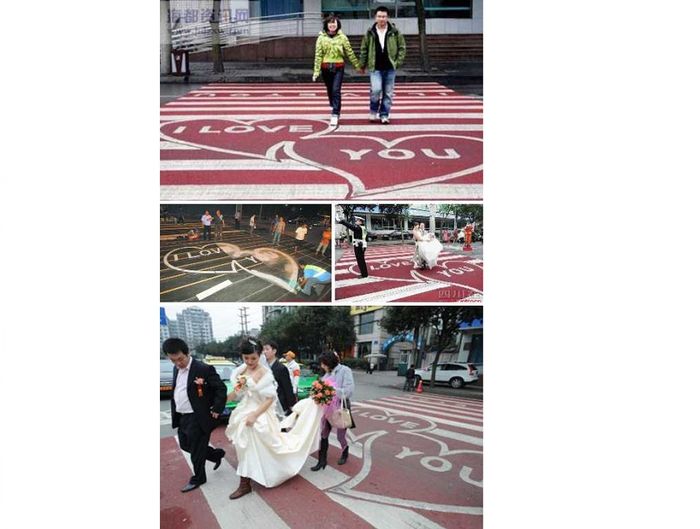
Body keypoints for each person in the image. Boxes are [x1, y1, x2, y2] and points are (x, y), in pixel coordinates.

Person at [225, 338, 324, 499]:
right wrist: (222, 401)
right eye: (246, 358)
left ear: (260, 355)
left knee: (257, 447)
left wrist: (255, 415)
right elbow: (237, 392)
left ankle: (246, 483)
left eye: (253, 358)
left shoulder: (265, 373)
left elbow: (270, 399)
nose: (250, 362)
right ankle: (247, 480)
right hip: (244, 410)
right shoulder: (241, 371)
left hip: (260, 414)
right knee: (245, 448)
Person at [164, 338, 227, 493]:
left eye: (180, 359)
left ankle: (198, 478)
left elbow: (221, 389)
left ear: (188, 353)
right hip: (182, 415)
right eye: (173, 360)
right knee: (185, 445)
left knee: (196, 451)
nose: (178, 363)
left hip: (198, 416)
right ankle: (216, 454)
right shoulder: (176, 369)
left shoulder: (203, 369)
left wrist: (217, 409)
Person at [312, 13, 362, 128]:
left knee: (336, 90)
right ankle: (334, 104)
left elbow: (349, 52)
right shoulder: (321, 38)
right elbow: (318, 55)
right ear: (326, 25)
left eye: (334, 23)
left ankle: (335, 113)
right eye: (330, 23)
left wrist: (357, 66)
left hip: (338, 67)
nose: (332, 25)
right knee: (330, 90)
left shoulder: (343, 37)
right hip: (325, 68)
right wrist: (316, 71)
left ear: (337, 24)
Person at [359, 6, 406, 124]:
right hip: (375, 67)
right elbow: (364, 49)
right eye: (379, 16)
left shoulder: (395, 32)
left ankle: (384, 114)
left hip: (390, 68)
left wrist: (397, 62)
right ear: (375, 17)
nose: (381, 19)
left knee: (388, 93)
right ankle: (373, 111)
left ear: (387, 17)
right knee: (376, 90)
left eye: (384, 16)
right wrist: (362, 65)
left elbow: (402, 48)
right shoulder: (370, 32)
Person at [311, 352, 356, 471]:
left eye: (323, 363)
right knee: (323, 434)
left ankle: (345, 451)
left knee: (341, 436)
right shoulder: (326, 374)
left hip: (342, 408)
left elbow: (349, 391)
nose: (322, 366)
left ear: (329, 362)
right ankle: (322, 460)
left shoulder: (345, 370)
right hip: (327, 409)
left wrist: (330, 390)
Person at [262, 339, 297, 416]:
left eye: (267, 349)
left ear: (274, 351)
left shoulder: (281, 368)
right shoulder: (262, 368)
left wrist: (292, 405)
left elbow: (287, 388)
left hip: (280, 405)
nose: (264, 352)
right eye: (263, 349)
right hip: (265, 405)